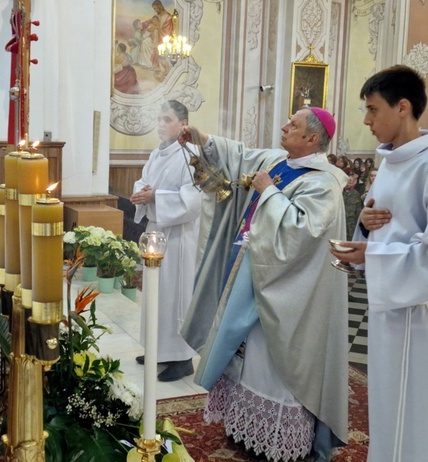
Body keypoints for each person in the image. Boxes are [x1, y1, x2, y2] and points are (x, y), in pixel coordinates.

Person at [179, 106, 348, 461]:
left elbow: (302, 231)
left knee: (269, 360)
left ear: (312, 139)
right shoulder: (279, 160)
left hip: (285, 291)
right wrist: (202, 138)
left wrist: (269, 193)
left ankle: (276, 439)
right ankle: (244, 427)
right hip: (250, 273)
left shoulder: (323, 182)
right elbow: (241, 157)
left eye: (294, 125)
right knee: (243, 354)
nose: (284, 126)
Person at [330, 65, 428, 461]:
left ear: (403, 107)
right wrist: (363, 231)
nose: (367, 120)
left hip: (418, 313)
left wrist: (374, 255)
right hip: (387, 310)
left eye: (372, 109)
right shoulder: (391, 165)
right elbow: (382, 229)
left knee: (419, 410)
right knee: (388, 403)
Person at [130, 100, 201, 382]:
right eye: (159, 118)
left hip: (178, 235)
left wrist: (155, 197)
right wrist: (141, 193)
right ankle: (158, 350)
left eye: (167, 119)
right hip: (157, 228)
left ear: (183, 125)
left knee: (175, 295)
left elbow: (193, 200)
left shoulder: (190, 154)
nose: (161, 124)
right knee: (155, 292)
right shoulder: (157, 153)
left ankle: (182, 358)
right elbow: (143, 180)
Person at [343, 172, 362, 240]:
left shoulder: (356, 194)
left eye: (351, 181)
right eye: (347, 181)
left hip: (352, 225)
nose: (349, 182)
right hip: (341, 223)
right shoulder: (339, 192)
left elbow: (358, 211)